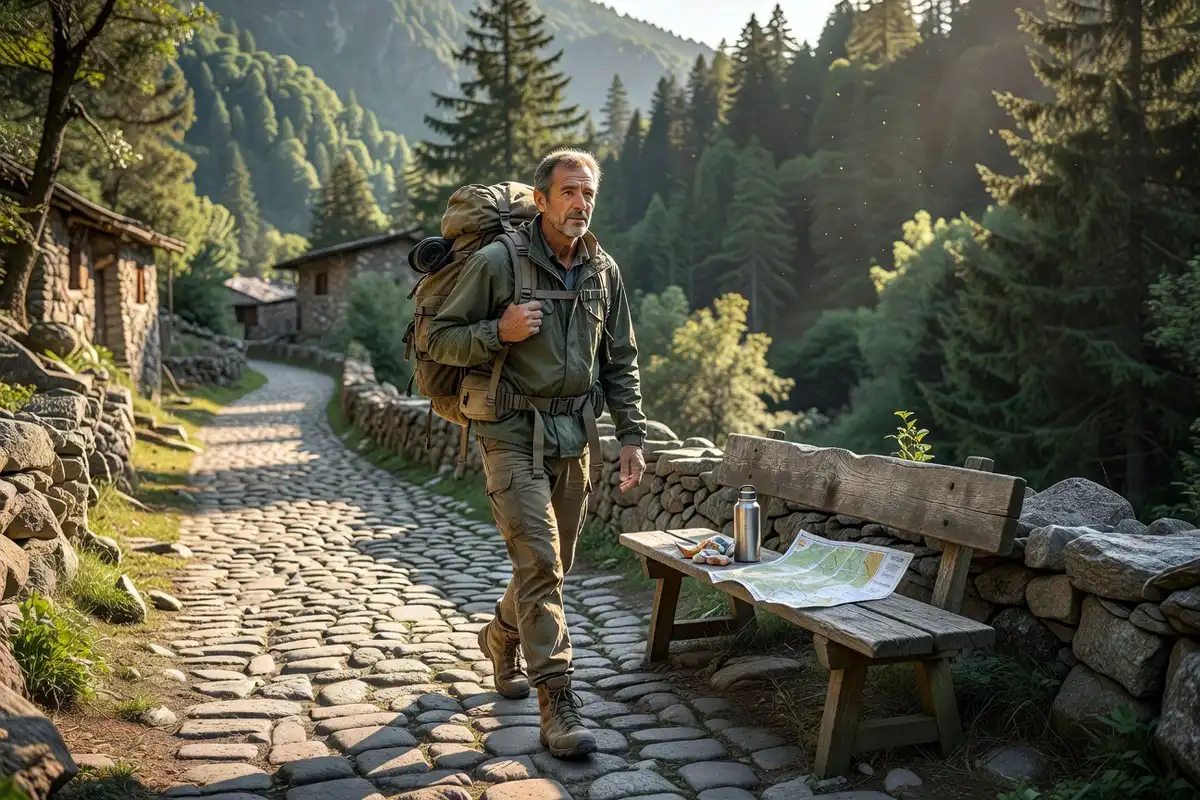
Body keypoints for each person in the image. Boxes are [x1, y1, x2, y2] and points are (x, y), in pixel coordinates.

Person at [425, 149, 648, 758]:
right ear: (541, 199)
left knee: (554, 563)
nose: (580, 203)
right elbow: (437, 338)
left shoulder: (604, 271)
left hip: (573, 436)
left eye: (588, 193)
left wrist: (632, 436)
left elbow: (620, 361)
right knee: (543, 562)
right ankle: (558, 702)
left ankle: (501, 636)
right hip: (509, 430)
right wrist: (500, 331)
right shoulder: (500, 262)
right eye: (568, 192)